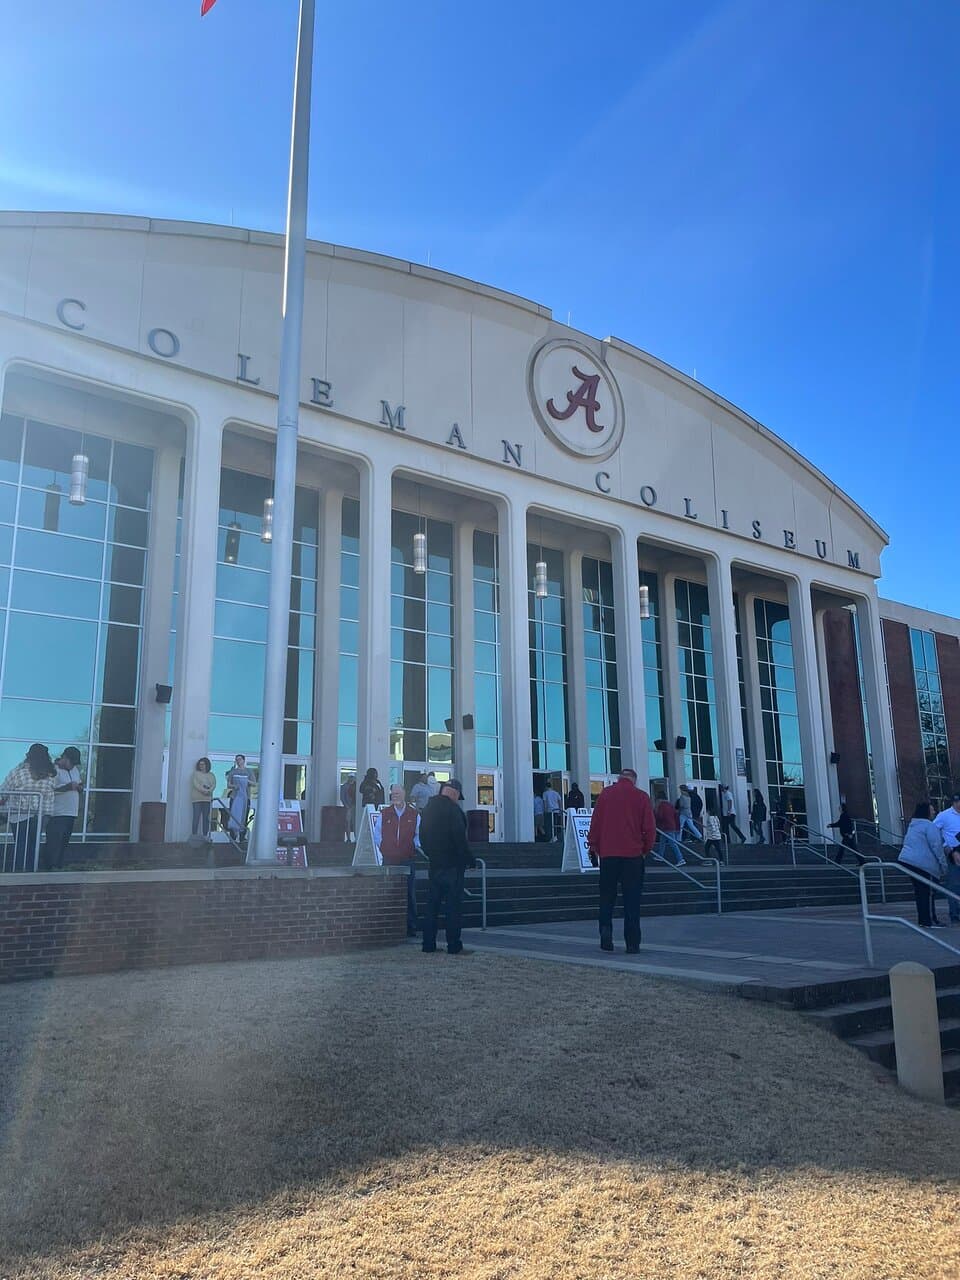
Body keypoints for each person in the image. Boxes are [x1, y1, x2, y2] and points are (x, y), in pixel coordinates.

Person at [587, 768, 656, 953]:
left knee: (607, 896)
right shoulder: (641, 797)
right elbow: (649, 828)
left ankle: (605, 932)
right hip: (632, 856)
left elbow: (596, 822)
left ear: (618, 779)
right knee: (632, 899)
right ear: (633, 780)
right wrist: (645, 849)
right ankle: (632, 942)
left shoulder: (605, 795)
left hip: (608, 855)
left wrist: (593, 846)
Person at [419, 778, 476, 955]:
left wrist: (431, 854)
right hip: (453, 865)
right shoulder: (454, 810)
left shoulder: (428, 809)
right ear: (454, 793)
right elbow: (459, 838)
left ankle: (428, 944)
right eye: (458, 795)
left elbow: (422, 837)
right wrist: (469, 859)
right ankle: (453, 944)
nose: (458, 799)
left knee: (432, 906)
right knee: (453, 907)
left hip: (434, 864)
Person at [0, 744, 57, 872]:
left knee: (21, 844)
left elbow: (4, 790)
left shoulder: (19, 772)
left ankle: (20, 872)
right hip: (41, 815)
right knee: (33, 845)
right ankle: (31, 871)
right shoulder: (51, 774)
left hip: (20, 814)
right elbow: (51, 793)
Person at [899, 801, 948, 929]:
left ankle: (924, 920)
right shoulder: (929, 826)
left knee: (920, 892)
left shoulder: (913, 825)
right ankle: (929, 920)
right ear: (926, 812)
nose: (934, 812)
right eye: (932, 810)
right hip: (922, 864)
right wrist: (943, 865)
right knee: (927, 892)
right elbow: (937, 847)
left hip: (907, 861)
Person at [381, 784, 421, 938]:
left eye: (397, 793)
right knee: (387, 893)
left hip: (407, 858)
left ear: (404, 794)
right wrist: (386, 848)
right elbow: (378, 835)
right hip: (389, 858)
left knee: (409, 893)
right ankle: (388, 926)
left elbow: (418, 834)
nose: (395, 796)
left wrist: (413, 846)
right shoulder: (385, 814)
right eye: (393, 793)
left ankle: (411, 926)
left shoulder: (414, 814)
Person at [44, 747, 83, 870]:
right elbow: (49, 790)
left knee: (64, 841)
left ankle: (59, 865)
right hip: (57, 813)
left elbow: (79, 784)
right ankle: (50, 866)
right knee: (54, 841)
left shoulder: (75, 770)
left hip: (71, 812)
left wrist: (79, 788)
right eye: (71, 763)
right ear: (65, 758)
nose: (72, 766)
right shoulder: (53, 770)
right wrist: (67, 787)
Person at [933, 793, 960, 925]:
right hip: (953, 853)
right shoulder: (944, 816)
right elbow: (933, 832)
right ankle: (955, 914)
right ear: (955, 802)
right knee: (954, 884)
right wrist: (947, 847)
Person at [226, 754, 253, 843]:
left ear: (244, 760)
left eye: (239, 759)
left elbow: (254, 783)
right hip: (235, 797)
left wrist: (246, 781)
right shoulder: (233, 772)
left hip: (246, 798)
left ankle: (242, 837)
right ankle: (233, 837)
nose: (238, 761)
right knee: (233, 815)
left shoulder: (249, 771)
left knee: (244, 817)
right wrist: (235, 786)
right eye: (236, 760)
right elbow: (228, 784)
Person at [654, 791, 685, 867]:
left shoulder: (661, 805)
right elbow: (676, 815)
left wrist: (655, 814)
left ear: (659, 799)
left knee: (672, 843)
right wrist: (677, 827)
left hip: (665, 826)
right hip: (671, 826)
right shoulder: (670, 805)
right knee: (662, 841)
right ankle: (660, 855)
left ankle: (680, 859)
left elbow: (660, 816)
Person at [190, 757, 216, 839]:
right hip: (197, 799)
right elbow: (195, 784)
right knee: (196, 817)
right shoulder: (196, 774)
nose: (201, 766)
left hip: (207, 799)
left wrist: (209, 791)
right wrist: (203, 790)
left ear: (207, 765)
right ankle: (194, 836)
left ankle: (205, 836)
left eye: (203, 764)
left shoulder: (211, 775)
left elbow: (214, 784)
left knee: (206, 818)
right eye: (200, 764)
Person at [339, 773, 356, 840]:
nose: (351, 778)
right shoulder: (344, 786)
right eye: (350, 777)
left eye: (352, 777)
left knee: (355, 823)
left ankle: (356, 838)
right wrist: (346, 806)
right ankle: (348, 838)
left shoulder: (356, 786)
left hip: (354, 807)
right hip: (348, 807)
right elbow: (342, 797)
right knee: (348, 823)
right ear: (348, 778)